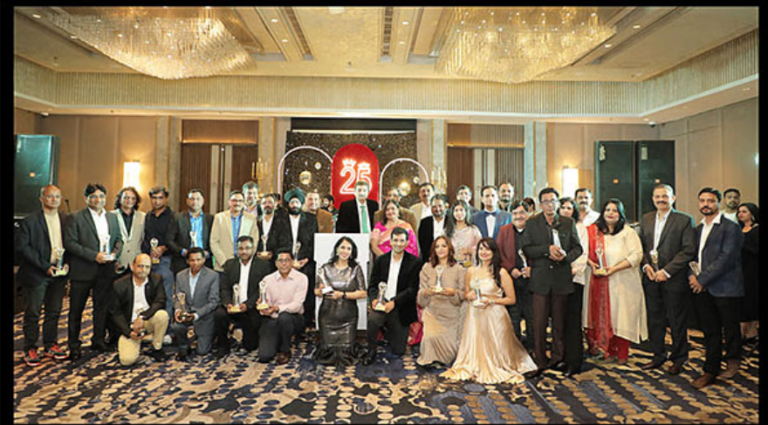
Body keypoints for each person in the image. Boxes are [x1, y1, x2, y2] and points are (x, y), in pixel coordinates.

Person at [442, 238, 538, 384]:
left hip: (495, 315)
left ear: (494, 252)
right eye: (481, 249)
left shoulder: (501, 272)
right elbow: (466, 294)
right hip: (475, 314)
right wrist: (469, 295)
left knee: (498, 351)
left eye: (487, 249)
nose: (484, 252)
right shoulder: (471, 271)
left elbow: (511, 299)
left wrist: (491, 301)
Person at [521, 188, 583, 376]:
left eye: (553, 201)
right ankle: (540, 360)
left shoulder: (567, 222)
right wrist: (546, 250)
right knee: (539, 324)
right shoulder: (532, 223)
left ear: (558, 203)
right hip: (540, 280)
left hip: (561, 280)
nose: (550, 205)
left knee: (559, 323)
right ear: (540, 204)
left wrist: (565, 257)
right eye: (546, 201)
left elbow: (578, 248)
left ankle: (558, 358)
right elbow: (527, 249)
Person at [638, 184, 696, 374]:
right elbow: (641, 247)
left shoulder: (684, 220)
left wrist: (667, 271)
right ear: (653, 199)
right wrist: (646, 266)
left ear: (673, 198)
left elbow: (688, 250)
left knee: (677, 320)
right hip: (651, 277)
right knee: (655, 319)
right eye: (657, 196)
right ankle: (658, 355)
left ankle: (679, 358)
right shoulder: (646, 219)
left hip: (674, 278)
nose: (661, 199)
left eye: (665, 196)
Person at [689, 188, 744, 389]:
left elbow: (726, 259)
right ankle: (710, 370)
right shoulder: (698, 229)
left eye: (710, 201)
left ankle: (733, 361)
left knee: (730, 329)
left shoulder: (731, 228)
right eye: (702, 200)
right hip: (703, 289)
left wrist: (702, 279)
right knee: (710, 331)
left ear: (718, 203)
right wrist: (692, 277)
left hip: (726, 287)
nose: (706, 204)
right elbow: (691, 256)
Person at [584, 199, 648, 365]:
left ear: (620, 214)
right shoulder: (594, 232)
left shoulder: (628, 232)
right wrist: (591, 263)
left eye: (615, 210)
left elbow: (637, 255)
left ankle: (623, 354)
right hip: (600, 282)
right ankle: (610, 352)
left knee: (623, 318)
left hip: (623, 282)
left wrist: (614, 269)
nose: (611, 213)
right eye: (607, 210)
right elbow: (584, 253)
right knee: (606, 317)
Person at [65, 183, 124, 360]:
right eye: (94, 196)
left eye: (101, 196)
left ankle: (98, 340)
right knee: (76, 310)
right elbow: (70, 243)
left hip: (106, 270)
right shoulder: (75, 217)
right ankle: (74, 345)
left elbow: (119, 239)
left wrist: (114, 254)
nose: (98, 200)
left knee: (101, 308)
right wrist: (94, 256)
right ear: (86, 199)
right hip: (83, 270)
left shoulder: (112, 217)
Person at [17, 185, 70, 366]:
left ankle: (50, 345)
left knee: (54, 311)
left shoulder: (66, 219)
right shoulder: (30, 221)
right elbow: (23, 248)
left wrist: (67, 264)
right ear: (42, 199)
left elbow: (70, 243)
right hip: (37, 273)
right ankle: (30, 348)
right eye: (50, 196)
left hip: (59, 273)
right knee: (33, 312)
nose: (54, 200)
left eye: (57, 196)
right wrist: (45, 266)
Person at [364, 227, 420, 365]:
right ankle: (371, 350)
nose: (398, 244)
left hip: (400, 307)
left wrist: (394, 302)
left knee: (399, 350)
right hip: (382, 304)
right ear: (390, 241)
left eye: (401, 241)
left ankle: (387, 329)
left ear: (407, 243)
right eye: (395, 240)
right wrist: (374, 299)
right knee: (373, 319)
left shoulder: (415, 262)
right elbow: (372, 285)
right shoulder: (381, 260)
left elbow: (412, 290)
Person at [213, 235, 272, 358]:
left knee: (250, 345)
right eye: (240, 248)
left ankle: (244, 337)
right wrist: (227, 303)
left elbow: (261, 290)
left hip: (251, 307)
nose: (244, 251)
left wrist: (248, 305)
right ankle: (223, 345)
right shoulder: (229, 264)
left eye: (247, 248)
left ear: (253, 248)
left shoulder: (263, 265)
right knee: (219, 314)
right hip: (232, 305)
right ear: (237, 249)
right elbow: (224, 288)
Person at [313, 237, 367, 366]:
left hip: (348, 317)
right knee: (328, 349)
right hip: (327, 316)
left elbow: (363, 293)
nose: (345, 251)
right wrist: (321, 291)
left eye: (349, 248)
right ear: (336, 250)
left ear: (352, 252)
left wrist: (342, 295)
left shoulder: (356, 269)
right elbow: (316, 291)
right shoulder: (325, 268)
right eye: (342, 247)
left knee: (346, 352)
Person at [109, 254, 168, 366]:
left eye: (147, 267)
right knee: (127, 361)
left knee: (162, 315)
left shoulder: (156, 279)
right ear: (132, 266)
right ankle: (139, 342)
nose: (143, 270)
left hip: (147, 321)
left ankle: (157, 348)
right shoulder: (119, 284)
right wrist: (129, 332)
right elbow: (115, 313)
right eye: (140, 266)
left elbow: (160, 301)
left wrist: (142, 317)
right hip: (129, 326)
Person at [416, 236, 466, 367]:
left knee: (450, 352)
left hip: (451, 314)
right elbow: (420, 295)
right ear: (434, 250)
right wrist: (427, 292)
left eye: (444, 246)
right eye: (437, 246)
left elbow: (463, 294)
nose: (441, 249)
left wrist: (453, 293)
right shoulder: (427, 268)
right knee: (430, 338)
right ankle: (430, 360)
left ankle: (444, 359)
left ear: (450, 248)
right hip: (432, 312)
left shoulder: (459, 269)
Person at [257, 249, 309, 365]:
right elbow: (266, 303)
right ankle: (280, 339)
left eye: (287, 260)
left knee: (284, 317)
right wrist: (263, 307)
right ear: (275, 263)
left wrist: (277, 308)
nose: (284, 264)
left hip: (293, 318)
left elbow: (297, 305)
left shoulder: (301, 278)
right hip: (272, 319)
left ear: (292, 262)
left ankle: (285, 350)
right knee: (264, 356)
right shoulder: (267, 280)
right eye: (280, 261)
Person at [497, 201, 534, 353]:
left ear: (528, 214)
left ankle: (532, 349)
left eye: (522, 212)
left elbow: (542, 252)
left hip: (532, 283)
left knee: (532, 318)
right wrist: (511, 269)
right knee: (514, 318)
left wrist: (533, 269)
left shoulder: (535, 230)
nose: (518, 216)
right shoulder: (504, 230)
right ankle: (515, 350)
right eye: (515, 213)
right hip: (511, 282)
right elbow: (499, 253)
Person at [171, 248, 220, 360]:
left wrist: (196, 315)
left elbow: (214, 302)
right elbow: (178, 298)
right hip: (186, 315)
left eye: (198, 259)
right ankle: (184, 345)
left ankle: (210, 337)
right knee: (176, 326)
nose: (195, 263)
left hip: (203, 317)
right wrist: (178, 310)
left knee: (202, 351)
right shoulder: (180, 276)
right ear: (187, 261)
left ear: (204, 259)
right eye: (192, 260)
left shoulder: (213, 276)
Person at [281, 189, 318, 326]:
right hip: (285, 263)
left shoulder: (311, 219)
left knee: (307, 294)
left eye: (297, 202)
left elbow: (314, 242)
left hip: (305, 262)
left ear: (301, 203)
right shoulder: (281, 219)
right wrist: (289, 261)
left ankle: (306, 324)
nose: (294, 205)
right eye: (292, 202)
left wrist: (306, 259)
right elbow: (279, 241)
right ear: (288, 204)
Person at [142, 186, 176, 317]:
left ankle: (167, 326)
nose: (157, 201)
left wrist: (163, 248)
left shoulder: (173, 216)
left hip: (166, 260)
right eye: (154, 198)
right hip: (148, 260)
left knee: (166, 294)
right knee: (149, 294)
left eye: (160, 198)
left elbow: (175, 238)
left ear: (166, 199)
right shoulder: (148, 216)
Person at [166, 189, 214, 275]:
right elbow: (169, 240)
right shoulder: (177, 218)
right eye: (192, 199)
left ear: (203, 201)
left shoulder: (210, 219)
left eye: (198, 199)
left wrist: (208, 252)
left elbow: (215, 239)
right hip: (183, 261)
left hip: (205, 261)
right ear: (187, 201)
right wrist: (183, 252)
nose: (195, 201)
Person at [210, 190, 260, 272]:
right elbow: (214, 242)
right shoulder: (219, 217)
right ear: (229, 202)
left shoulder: (251, 218)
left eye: (240, 201)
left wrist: (247, 260)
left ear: (244, 203)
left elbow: (254, 241)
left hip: (244, 264)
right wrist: (224, 262)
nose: (237, 203)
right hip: (223, 265)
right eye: (234, 200)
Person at [110, 187, 145, 277]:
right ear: (119, 199)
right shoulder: (110, 215)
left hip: (136, 261)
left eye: (133, 198)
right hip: (117, 261)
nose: (129, 200)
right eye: (126, 197)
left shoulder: (143, 216)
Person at [737, 202, 759, 343]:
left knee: (750, 300)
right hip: (738, 270)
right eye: (739, 212)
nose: (740, 214)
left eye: (744, 211)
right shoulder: (738, 229)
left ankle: (750, 333)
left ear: (752, 213)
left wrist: (740, 243)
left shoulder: (756, 230)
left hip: (752, 271)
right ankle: (744, 333)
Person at [255, 193, 290, 268]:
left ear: (275, 205)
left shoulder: (283, 222)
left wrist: (273, 254)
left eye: (270, 202)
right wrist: (257, 254)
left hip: (275, 263)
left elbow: (285, 242)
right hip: (257, 263)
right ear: (260, 205)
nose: (267, 205)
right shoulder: (255, 222)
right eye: (264, 203)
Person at [418, 194, 452, 264]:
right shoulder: (424, 222)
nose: (437, 209)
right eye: (434, 207)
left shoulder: (451, 221)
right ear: (430, 207)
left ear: (445, 206)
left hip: (449, 259)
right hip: (429, 259)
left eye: (440, 206)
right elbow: (422, 243)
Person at [447, 200, 482, 267]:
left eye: (461, 210)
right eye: (456, 210)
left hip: (469, 266)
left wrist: (469, 251)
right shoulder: (447, 231)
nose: (459, 213)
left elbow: (480, 249)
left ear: (466, 212)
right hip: (451, 266)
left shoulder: (473, 230)